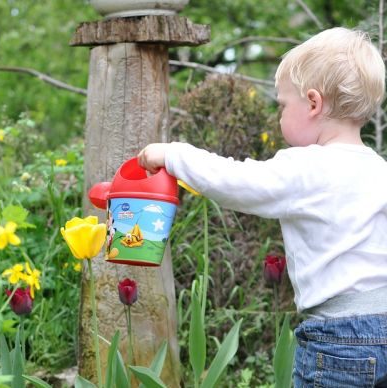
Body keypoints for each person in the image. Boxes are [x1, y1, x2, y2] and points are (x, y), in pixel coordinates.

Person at [137, 27, 387, 386]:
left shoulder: (307, 167)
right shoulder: (379, 169)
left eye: (283, 105)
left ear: (314, 104)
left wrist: (173, 154)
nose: (279, 115)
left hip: (337, 340)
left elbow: (236, 181)